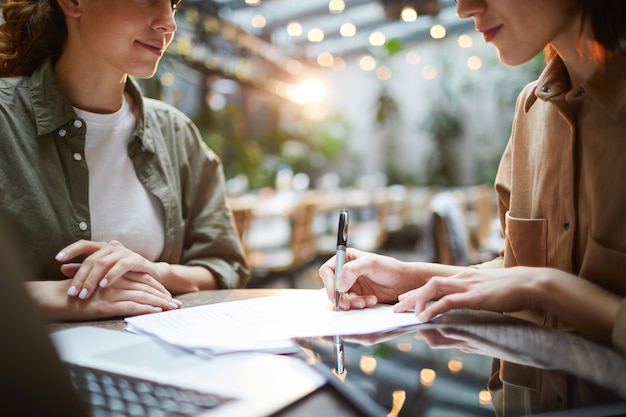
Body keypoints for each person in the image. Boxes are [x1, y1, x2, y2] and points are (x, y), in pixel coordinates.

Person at [320, 0, 626, 413]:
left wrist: (548, 288)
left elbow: (535, 281)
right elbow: (518, 271)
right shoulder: (532, 110)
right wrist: (407, 277)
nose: (464, 8)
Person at [0, 0, 249, 322]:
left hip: (153, 364)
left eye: (173, 4)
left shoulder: (176, 133)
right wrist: (60, 295)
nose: (169, 23)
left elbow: (224, 265)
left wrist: (156, 272)